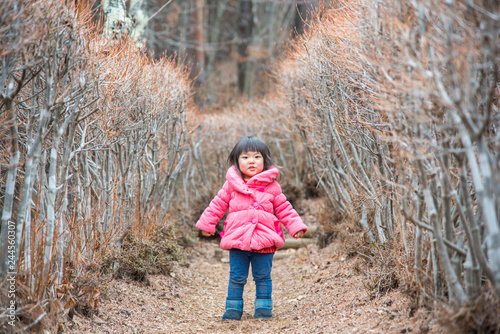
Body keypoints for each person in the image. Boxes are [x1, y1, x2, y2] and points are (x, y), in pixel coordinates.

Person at [196, 136, 308, 321]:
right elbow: (217, 205)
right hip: (238, 239)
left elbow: (284, 208)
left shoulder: (272, 186)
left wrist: (295, 226)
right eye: (245, 157)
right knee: (237, 276)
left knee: (263, 276)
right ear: (237, 161)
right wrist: (207, 224)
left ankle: (263, 308)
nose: (251, 161)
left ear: (265, 160)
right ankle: (233, 309)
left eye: (257, 157)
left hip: (264, 240)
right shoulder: (232, 185)